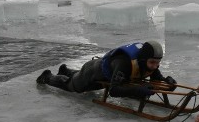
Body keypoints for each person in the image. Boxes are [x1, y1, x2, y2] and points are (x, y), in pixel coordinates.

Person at [36, 41, 177, 99]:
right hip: (92, 72)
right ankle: (48, 77)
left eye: (158, 63)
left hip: (103, 74)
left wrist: (168, 81)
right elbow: (114, 91)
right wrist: (138, 91)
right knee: (72, 86)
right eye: (152, 62)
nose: (155, 66)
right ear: (143, 59)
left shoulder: (148, 63)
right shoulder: (125, 64)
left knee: (76, 78)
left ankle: (66, 70)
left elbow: (156, 77)